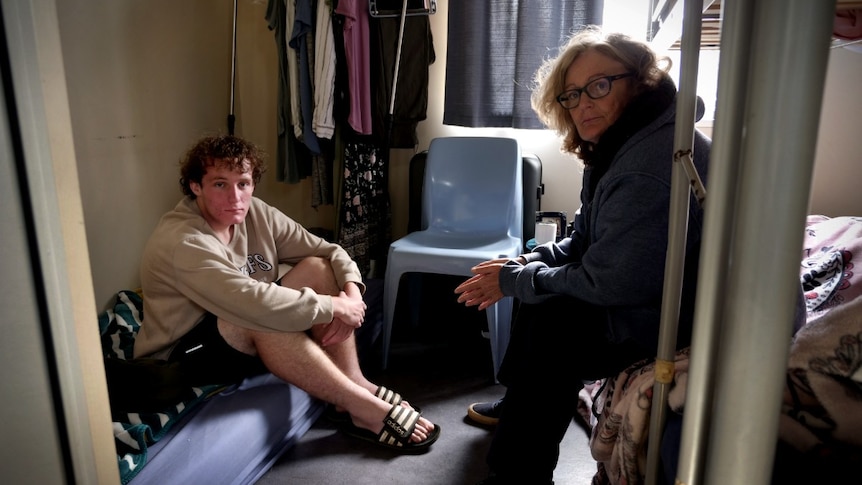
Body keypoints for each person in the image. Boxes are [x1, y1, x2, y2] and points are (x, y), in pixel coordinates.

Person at [455, 26, 711, 484]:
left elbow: (612, 282)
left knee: (557, 317)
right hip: (651, 290)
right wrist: (523, 266)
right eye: (571, 95)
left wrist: (521, 281)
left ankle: (516, 473)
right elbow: (583, 242)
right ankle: (520, 405)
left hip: (688, 314)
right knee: (537, 279)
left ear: (640, 81)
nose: (582, 105)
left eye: (599, 85)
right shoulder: (619, 146)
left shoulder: (648, 166)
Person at [134, 134, 439, 453]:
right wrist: (332, 306)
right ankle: (365, 408)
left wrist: (351, 295)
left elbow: (329, 251)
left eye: (244, 183)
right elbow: (251, 302)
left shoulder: (255, 213)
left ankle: (356, 385)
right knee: (262, 317)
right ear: (196, 186)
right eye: (220, 184)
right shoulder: (184, 241)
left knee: (318, 267)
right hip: (182, 354)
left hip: (232, 324)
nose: (235, 197)